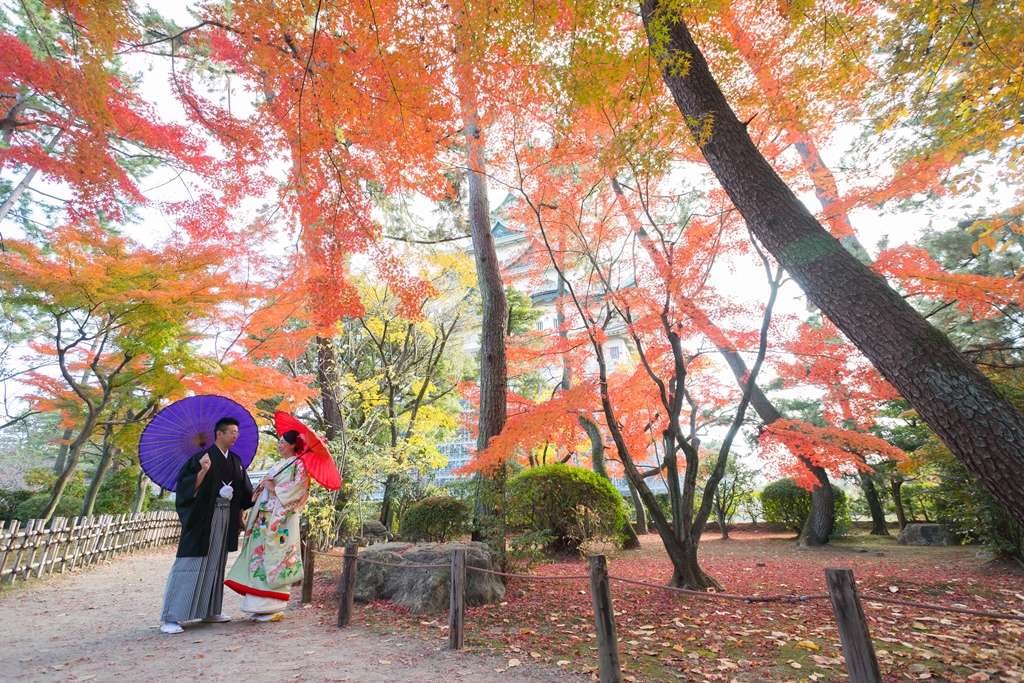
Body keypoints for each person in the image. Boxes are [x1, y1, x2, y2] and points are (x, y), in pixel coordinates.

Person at [160, 416, 254, 634]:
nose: (235, 436)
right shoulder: (200, 458)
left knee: (217, 562)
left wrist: (240, 515)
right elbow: (184, 489)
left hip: (225, 517)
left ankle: (210, 610)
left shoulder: (236, 461)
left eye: (237, 433)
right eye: (232, 432)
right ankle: (171, 617)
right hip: (203, 518)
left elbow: (243, 493)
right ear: (218, 434)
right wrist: (202, 471)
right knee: (190, 564)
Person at [224, 429, 311, 622]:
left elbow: (300, 489)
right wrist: (264, 484)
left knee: (276, 557)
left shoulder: (300, 464)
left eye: (282, 442)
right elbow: (262, 492)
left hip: (281, 520)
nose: (279, 445)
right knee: (259, 558)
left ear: (293, 445)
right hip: (264, 518)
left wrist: (275, 488)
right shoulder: (279, 465)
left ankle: (274, 607)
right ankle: (258, 606)